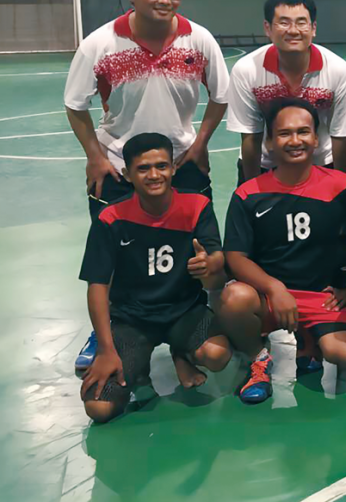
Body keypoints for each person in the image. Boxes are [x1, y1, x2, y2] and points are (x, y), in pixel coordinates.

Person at [65, 0, 229, 372]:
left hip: (182, 163)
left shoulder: (199, 40)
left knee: (194, 250)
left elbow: (221, 96)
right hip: (118, 165)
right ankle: (106, 329)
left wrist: (201, 143)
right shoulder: (100, 44)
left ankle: (189, 330)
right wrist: (95, 157)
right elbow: (75, 105)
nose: (164, 0)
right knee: (116, 257)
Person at [218, 98, 346, 405]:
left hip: (322, 296)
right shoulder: (249, 194)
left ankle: (310, 340)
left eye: (303, 132)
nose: (295, 140)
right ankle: (258, 360)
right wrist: (274, 288)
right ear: (269, 142)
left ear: (317, 139)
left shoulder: (342, 187)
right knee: (234, 298)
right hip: (270, 298)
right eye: (284, 133)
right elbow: (235, 257)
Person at [78, 132, 231, 424]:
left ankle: (181, 353)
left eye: (161, 166)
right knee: (99, 408)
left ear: (173, 168)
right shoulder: (110, 218)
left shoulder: (197, 206)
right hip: (132, 319)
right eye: (143, 168)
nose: (154, 175)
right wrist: (106, 350)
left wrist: (209, 264)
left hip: (184, 312)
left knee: (217, 355)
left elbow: (217, 265)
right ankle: (138, 370)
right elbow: (97, 286)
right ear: (127, 175)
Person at [227, 0, 346, 184]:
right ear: (268, 28)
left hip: (321, 163)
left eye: (301, 22)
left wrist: (342, 186)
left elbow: (341, 136)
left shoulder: (338, 70)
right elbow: (250, 136)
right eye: (284, 22)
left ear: (313, 28)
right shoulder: (247, 70)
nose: (294, 31)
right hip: (266, 165)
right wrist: (252, 190)